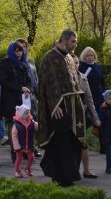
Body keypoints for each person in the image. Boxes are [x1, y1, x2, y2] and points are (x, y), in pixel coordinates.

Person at [38, 29, 86, 187]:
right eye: (73, 41)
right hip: (58, 108)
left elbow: (73, 82)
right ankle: (60, 178)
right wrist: (55, 105)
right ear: (64, 40)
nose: (75, 44)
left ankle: (68, 176)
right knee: (61, 144)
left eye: (75, 41)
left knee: (72, 143)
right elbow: (48, 84)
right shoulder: (49, 57)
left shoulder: (69, 58)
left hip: (72, 107)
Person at [0, 41, 31, 162]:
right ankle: (15, 151)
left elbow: (28, 79)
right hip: (9, 99)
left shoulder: (24, 64)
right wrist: (19, 88)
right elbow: (3, 81)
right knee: (13, 126)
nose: (18, 53)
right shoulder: (5, 63)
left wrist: (27, 89)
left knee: (25, 125)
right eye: (16, 51)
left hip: (22, 99)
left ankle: (25, 150)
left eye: (20, 50)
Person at [71, 54, 101, 179]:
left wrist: (95, 117)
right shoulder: (63, 78)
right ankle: (71, 171)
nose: (75, 65)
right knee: (70, 144)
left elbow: (89, 99)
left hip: (81, 114)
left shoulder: (83, 77)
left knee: (83, 142)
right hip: (68, 114)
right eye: (73, 62)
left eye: (77, 62)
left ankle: (86, 170)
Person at [12, 105, 38, 178]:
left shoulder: (31, 122)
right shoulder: (16, 125)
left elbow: (37, 126)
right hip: (20, 146)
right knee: (19, 159)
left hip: (29, 144)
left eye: (29, 113)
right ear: (21, 115)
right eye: (26, 113)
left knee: (31, 157)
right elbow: (14, 136)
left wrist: (41, 126)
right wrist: (17, 146)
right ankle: (17, 171)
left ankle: (28, 168)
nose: (28, 115)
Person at [78, 47, 105, 113]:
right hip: (87, 95)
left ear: (94, 56)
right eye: (87, 55)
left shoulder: (98, 67)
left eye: (91, 55)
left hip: (99, 95)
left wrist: (104, 93)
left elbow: (102, 82)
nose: (89, 57)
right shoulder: (80, 67)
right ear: (84, 57)